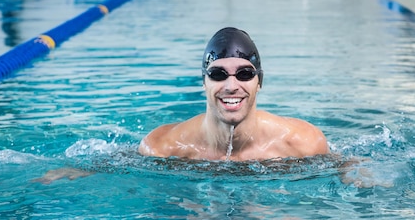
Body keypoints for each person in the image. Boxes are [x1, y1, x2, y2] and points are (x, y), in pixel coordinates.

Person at [138, 27, 329, 161]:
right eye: (218, 74)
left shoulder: (304, 144)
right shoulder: (161, 148)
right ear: (204, 82)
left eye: (244, 74)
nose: (231, 86)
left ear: (259, 82)